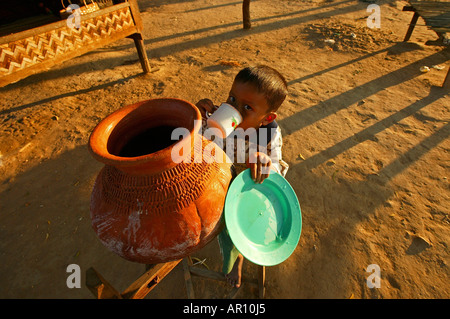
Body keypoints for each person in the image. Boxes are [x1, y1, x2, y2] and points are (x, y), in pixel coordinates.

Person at [195, 65, 289, 288]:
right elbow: (203, 145)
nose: (234, 108)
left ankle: (237, 260)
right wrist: (198, 120)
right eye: (232, 98)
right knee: (222, 233)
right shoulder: (220, 120)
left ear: (267, 118)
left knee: (237, 229)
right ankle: (232, 255)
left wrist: (265, 162)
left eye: (247, 107)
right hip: (221, 182)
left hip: (247, 193)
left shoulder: (269, 135)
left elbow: (276, 170)